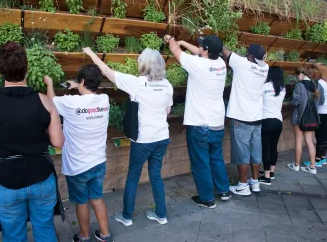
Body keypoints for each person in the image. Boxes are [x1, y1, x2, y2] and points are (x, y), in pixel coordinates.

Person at [0, 41, 65, 242]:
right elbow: (58, 142)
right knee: (45, 229)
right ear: (27, 67)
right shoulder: (44, 101)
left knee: (13, 236)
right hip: (41, 177)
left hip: (5, 182)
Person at [83, 47, 173, 226]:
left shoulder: (137, 83)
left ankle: (127, 216)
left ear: (145, 65)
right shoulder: (167, 85)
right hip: (162, 136)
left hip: (143, 140)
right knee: (155, 175)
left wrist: (91, 53)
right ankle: (161, 215)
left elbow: (107, 72)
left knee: (133, 176)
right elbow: (167, 110)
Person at [44, 64, 113, 242]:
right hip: (98, 162)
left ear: (82, 81)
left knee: (81, 202)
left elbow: (51, 102)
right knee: (97, 198)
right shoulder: (104, 100)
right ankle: (105, 235)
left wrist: (50, 84)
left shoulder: (71, 103)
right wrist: (77, 85)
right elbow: (89, 96)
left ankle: (84, 236)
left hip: (77, 167)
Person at [164, 34, 231, 208]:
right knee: (216, 158)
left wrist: (171, 39)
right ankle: (224, 191)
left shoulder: (198, 65)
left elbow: (174, 51)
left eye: (201, 46)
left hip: (200, 124)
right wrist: (185, 42)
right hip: (217, 122)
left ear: (206, 51)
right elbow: (200, 53)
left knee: (201, 162)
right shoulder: (221, 65)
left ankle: (207, 199)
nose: (199, 48)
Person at [222, 44, 269, 196]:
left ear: (249, 56)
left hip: (241, 118)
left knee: (242, 154)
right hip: (257, 119)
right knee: (255, 152)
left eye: (247, 53)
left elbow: (225, 51)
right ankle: (255, 182)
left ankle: (243, 185)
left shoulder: (242, 64)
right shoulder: (265, 68)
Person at [288, 65, 325, 174]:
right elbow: (322, 101)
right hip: (312, 118)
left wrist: (291, 102)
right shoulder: (317, 85)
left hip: (298, 117)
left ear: (301, 74)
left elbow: (296, 101)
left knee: (298, 141)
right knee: (309, 142)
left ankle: (296, 165)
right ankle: (313, 167)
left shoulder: (299, 85)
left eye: (297, 75)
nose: (296, 78)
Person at [258, 66, 286, 185]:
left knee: (265, 148)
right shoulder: (282, 88)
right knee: (273, 147)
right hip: (278, 121)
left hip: (266, 120)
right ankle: (272, 172)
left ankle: (267, 176)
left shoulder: (264, 87)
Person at [304, 63, 327, 166]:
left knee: (320, 136)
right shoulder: (325, 82)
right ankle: (322, 157)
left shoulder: (318, 83)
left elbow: (320, 100)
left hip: (321, 112)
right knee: (324, 136)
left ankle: (317, 159)